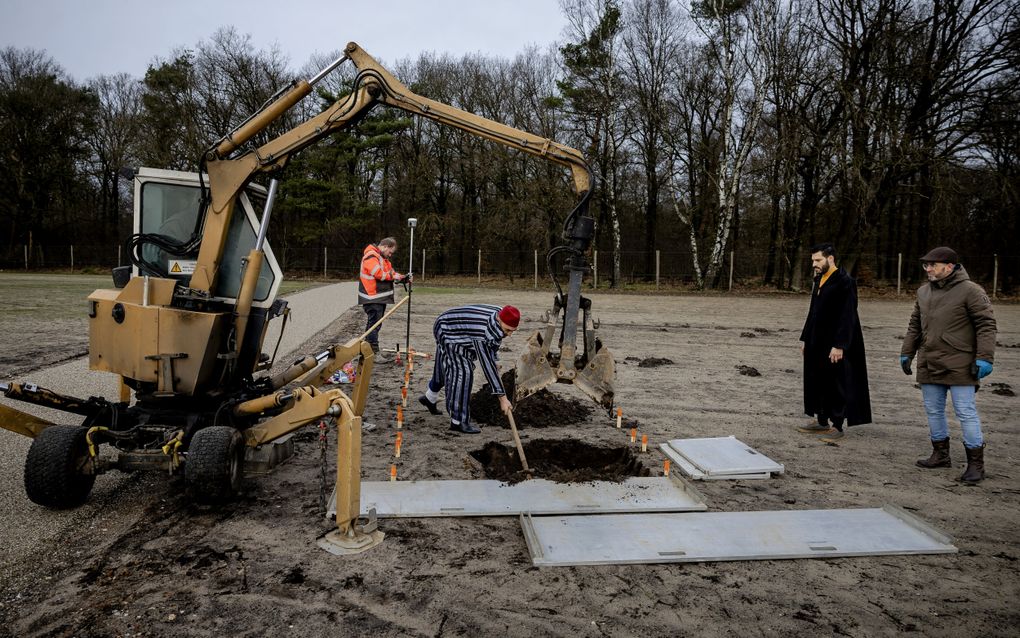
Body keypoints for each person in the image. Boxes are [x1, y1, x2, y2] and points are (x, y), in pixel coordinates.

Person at [901, 246, 996, 484]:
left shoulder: (971, 291)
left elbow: (986, 324)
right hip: (929, 360)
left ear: (950, 266)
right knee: (933, 410)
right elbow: (915, 324)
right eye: (925, 265)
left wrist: (985, 356)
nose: (928, 269)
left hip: (961, 362)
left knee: (965, 411)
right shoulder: (923, 292)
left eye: (932, 265)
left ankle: (976, 464)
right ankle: (940, 454)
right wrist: (907, 352)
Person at [797, 243, 872, 441]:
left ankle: (837, 425)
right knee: (817, 379)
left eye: (818, 260)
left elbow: (848, 316)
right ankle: (822, 421)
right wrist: (806, 339)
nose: (814, 263)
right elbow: (812, 312)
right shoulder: (819, 279)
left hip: (835, 343)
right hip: (816, 341)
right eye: (813, 260)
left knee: (836, 383)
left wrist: (840, 345)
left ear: (830, 259)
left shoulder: (845, 282)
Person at [418, 304, 520, 434]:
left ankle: (429, 398)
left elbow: (493, 342)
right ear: (499, 320)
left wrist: (494, 359)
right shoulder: (483, 331)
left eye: (513, 330)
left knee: (445, 365)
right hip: (446, 329)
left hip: (456, 326)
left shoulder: (501, 315)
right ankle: (458, 421)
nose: (510, 334)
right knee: (462, 371)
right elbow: (487, 366)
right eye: (507, 330)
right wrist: (503, 399)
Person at [358, 237, 407, 358]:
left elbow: (391, 272)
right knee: (374, 324)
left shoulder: (382, 258)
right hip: (372, 297)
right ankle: (372, 352)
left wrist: (402, 277)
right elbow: (379, 274)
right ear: (385, 246)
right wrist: (394, 277)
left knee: (375, 324)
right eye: (390, 252)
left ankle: (366, 351)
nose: (390, 255)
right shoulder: (371, 256)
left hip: (378, 297)